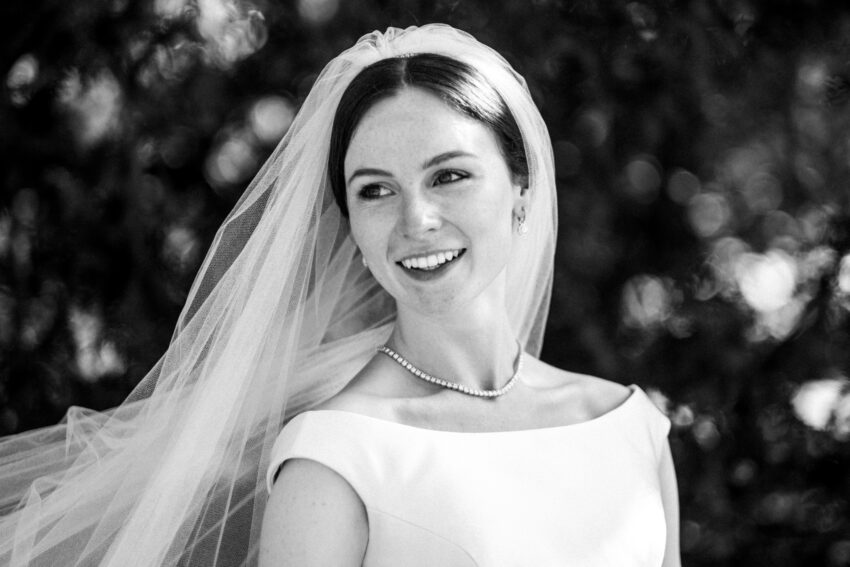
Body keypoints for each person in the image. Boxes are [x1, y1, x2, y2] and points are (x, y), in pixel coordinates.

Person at [0, 24, 678, 566]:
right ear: (351, 229)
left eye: (448, 176)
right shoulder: (336, 457)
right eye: (375, 190)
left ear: (520, 194)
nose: (416, 219)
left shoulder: (629, 428)